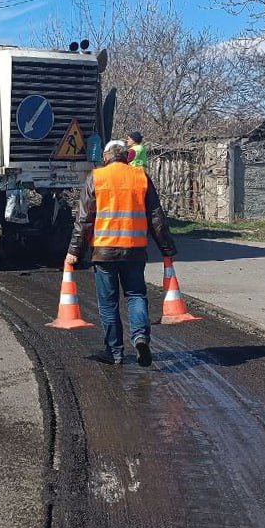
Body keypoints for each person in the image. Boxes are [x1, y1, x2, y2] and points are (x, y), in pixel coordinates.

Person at [65, 139, 177, 366]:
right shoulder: (141, 177)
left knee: (108, 303)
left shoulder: (96, 177)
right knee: (136, 295)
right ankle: (140, 338)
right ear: (127, 157)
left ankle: (114, 352)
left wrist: (75, 251)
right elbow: (156, 217)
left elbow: (84, 220)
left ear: (106, 157)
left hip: (105, 253)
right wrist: (166, 247)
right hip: (135, 252)